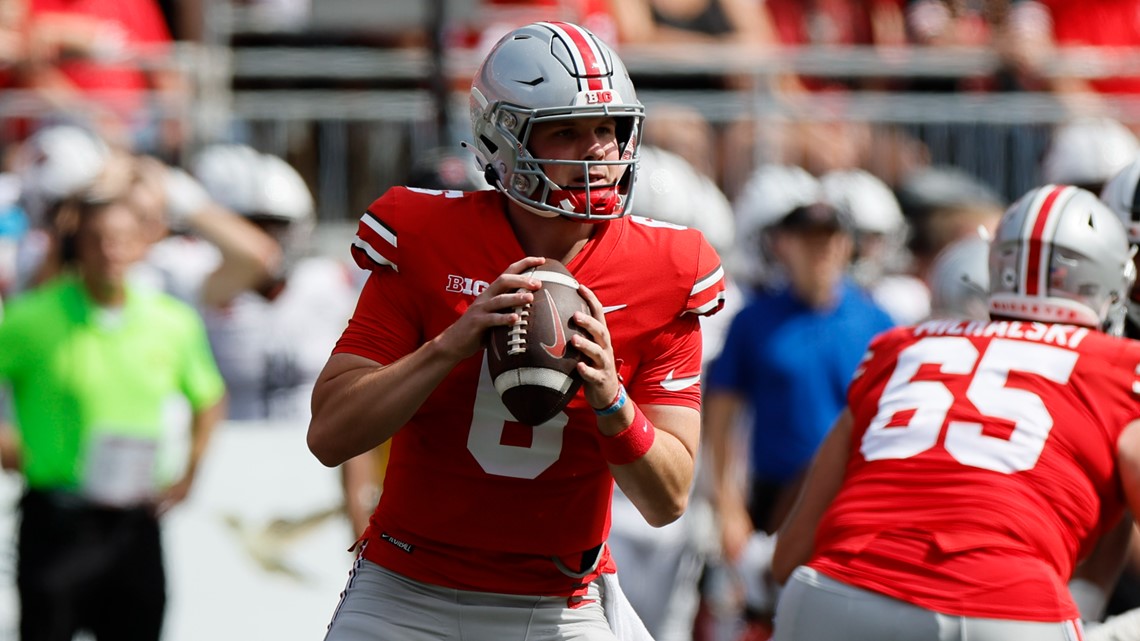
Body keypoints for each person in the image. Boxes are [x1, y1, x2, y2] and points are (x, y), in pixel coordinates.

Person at [307, 21, 726, 641]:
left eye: (608, 128)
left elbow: (668, 500)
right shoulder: (425, 238)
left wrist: (612, 398)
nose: (600, 151)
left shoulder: (665, 269)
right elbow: (329, 434)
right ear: (499, 138)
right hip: (406, 589)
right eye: (568, 130)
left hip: (561, 600)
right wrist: (452, 342)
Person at [770, 184, 1140, 640]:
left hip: (831, 597)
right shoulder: (1119, 367)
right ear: (1110, 284)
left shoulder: (900, 346)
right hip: (1003, 610)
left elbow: (787, 556)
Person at [0, 169, 226, 640]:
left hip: (134, 524)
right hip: (56, 520)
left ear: (143, 244)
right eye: (98, 239)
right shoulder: (32, 318)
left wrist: (190, 473)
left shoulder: (170, 322)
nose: (111, 251)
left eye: (123, 239)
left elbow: (209, 397)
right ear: (77, 245)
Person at [704, 189, 895, 636]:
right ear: (784, 245)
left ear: (847, 245)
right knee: (770, 618)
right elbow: (720, 418)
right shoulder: (755, 322)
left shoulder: (879, 323)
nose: (822, 249)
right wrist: (728, 506)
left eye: (831, 238)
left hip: (853, 498)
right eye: (809, 239)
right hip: (776, 499)